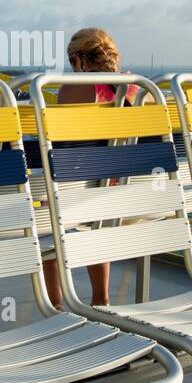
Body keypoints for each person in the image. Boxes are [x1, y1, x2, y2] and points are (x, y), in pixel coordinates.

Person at [42, 27, 138, 309]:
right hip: (128, 191)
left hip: (81, 192)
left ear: (81, 60)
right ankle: (101, 299)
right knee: (96, 217)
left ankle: (55, 305)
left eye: (72, 62)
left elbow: (61, 149)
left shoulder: (75, 88)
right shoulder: (137, 86)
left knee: (45, 215)